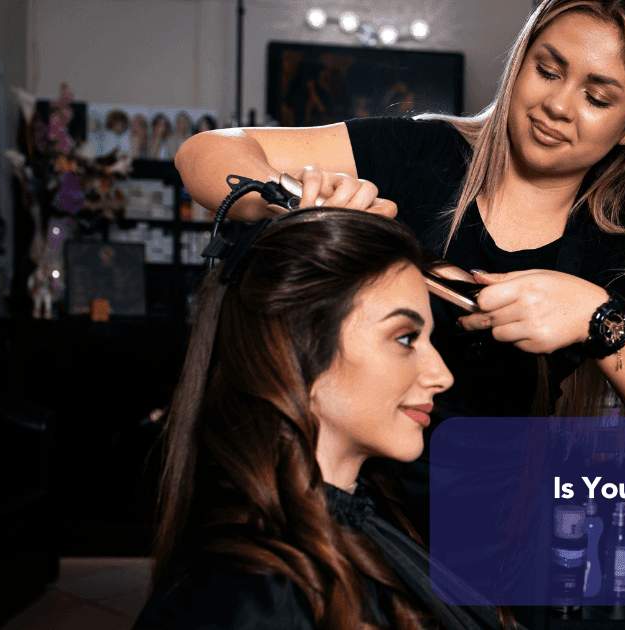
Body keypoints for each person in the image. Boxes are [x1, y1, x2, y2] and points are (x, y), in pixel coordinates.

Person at [176, 0, 625, 439]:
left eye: (596, 97)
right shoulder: (423, 155)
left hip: (491, 520)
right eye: (546, 70)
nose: (558, 104)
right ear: (520, 62)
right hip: (349, 493)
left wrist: (594, 314)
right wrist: (299, 203)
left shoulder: (612, 248)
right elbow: (205, 154)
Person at [133, 208, 513, 629]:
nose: (441, 376)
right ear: (301, 348)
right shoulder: (252, 597)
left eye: (429, 339)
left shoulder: (374, 520)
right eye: (405, 338)